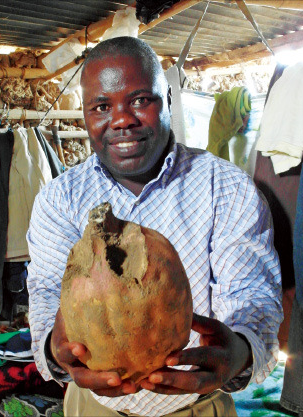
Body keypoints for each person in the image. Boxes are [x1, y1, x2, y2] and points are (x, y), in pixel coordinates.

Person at [27, 36, 282, 417]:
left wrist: (241, 350)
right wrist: (55, 348)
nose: (121, 119)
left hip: (197, 406)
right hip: (92, 408)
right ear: (85, 115)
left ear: (166, 100)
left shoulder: (226, 188)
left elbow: (252, 295)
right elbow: (46, 294)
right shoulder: (60, 199)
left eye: (140, 100)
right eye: (101, 106)